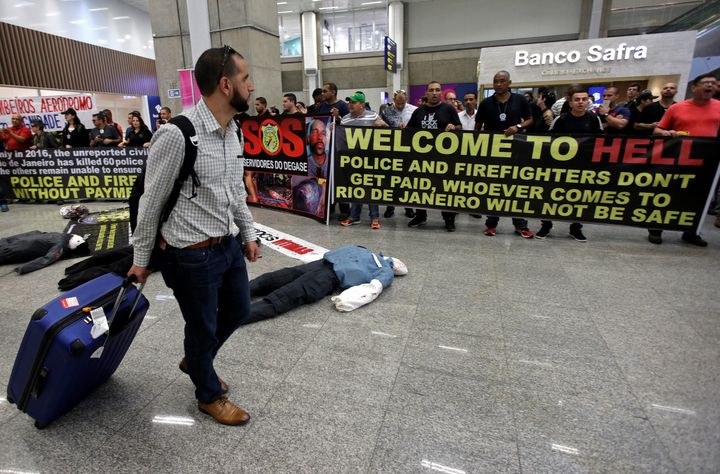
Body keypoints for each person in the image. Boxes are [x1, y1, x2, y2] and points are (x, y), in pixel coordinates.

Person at [128, 45, 260, 426]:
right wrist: (140, 260)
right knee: (200, 326)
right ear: (224, 84)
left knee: (239, 310)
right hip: (190, 255)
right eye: (245, 78)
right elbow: (151, 203)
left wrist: (248, 233)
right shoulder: (177, 134)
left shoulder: (232, 130)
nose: (251, 86)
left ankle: (197, 359)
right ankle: (208, 395)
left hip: (227, 244)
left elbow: (234, 190)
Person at [247, 246, 408, 322]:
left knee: (274, 279)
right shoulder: (385, 271)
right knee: (283, 297)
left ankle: (231, 297)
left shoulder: (363, 249)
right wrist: (346, 301)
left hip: (321, 264)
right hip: (328, 277)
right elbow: (372, 289)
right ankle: (231, 316)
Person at [651, 73, 720, 246]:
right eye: (705, 83)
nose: (709, 86)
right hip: (679, 159)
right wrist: (668, 133)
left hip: (707, 161)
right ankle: (656, 228)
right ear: (694, 87)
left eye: (713, 83)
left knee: (698, 197)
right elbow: (658, 130)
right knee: (669, 194)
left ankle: (691, 232)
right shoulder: (677, 108)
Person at [536, 85, 603, 242]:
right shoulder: (561, 120)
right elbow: (550, 141)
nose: (580, 102)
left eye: (584, 99)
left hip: (583, 167)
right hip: (561, 167)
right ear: (570, 102)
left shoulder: (594, 119)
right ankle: (546, 225)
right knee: (551, 196)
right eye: (577, 100)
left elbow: (601, 142)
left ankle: (576, 228)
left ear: (588, 101)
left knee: (579, 198)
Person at [475, 70, 535, 238]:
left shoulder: (520, 100)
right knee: (494, 188)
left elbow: (530, 119)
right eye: (495, 81)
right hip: (493, 152)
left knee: (515, 188)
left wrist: (518, 127)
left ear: (509, 83)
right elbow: (478, 127)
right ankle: (491, 224)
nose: (498, 84)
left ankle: (520, 224)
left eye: (502, 81)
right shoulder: (486, 103)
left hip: (515, 151)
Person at [407, 80, 462, 231]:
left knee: (444, 189)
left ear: (441, 92)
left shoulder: (449, 109)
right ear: (426, 93)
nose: (434, 93)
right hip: (422, 159)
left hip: (443, 159)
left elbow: (459, 127)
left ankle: (448, 219)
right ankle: (420, 215)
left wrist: (453, 127)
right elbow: (409, 131)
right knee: (420, 188)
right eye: (431, 90)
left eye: (437, 90)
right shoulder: (419, 112)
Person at [339, 91, 388, 230]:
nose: (350, 105)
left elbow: (388, 131)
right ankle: (354, 217)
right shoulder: (345, 119)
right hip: (353, 160)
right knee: (356, 187)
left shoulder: (373, 116)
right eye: (349, 102)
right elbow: (341, 138)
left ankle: (375, 217)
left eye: (354, 102)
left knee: (371, 188)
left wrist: (382, 125)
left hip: (370, 159)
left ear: (362, 105)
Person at [380, 89, 418, 219]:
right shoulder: (386, 112)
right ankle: (390, 207)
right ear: (394, 99)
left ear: (406, 98)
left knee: (408, 180)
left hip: (410, 150)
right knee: (391, 181)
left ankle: (408, 207)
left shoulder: (415, 110)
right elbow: (381, 128)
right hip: (392, 151)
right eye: (398, 101)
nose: (400, 104)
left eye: (402, 101)